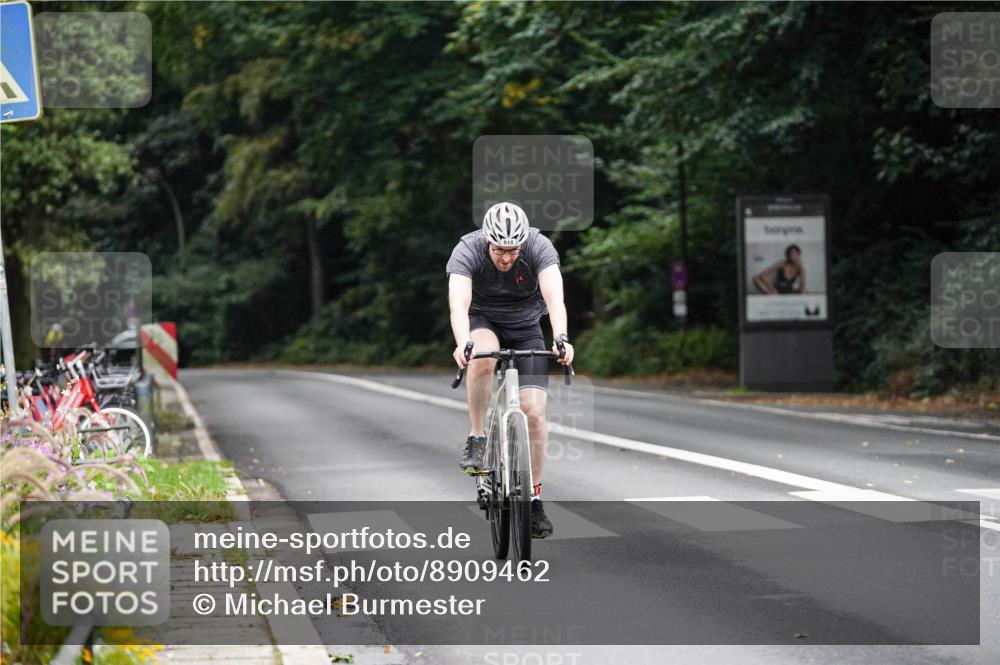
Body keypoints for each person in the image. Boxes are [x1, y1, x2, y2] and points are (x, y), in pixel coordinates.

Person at [446, 201, 574, 539]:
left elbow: (554, 300)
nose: (506, 258)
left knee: (533, 413)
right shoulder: (467, 250)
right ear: (487, 241)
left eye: (512, 250)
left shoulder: (539, 247)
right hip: (483, 320)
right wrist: (463, 343)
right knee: (482, 357)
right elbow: (458, 304)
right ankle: (477, 437)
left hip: (527, 326)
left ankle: (533, 500)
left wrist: (561, 337)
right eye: (500, 250)